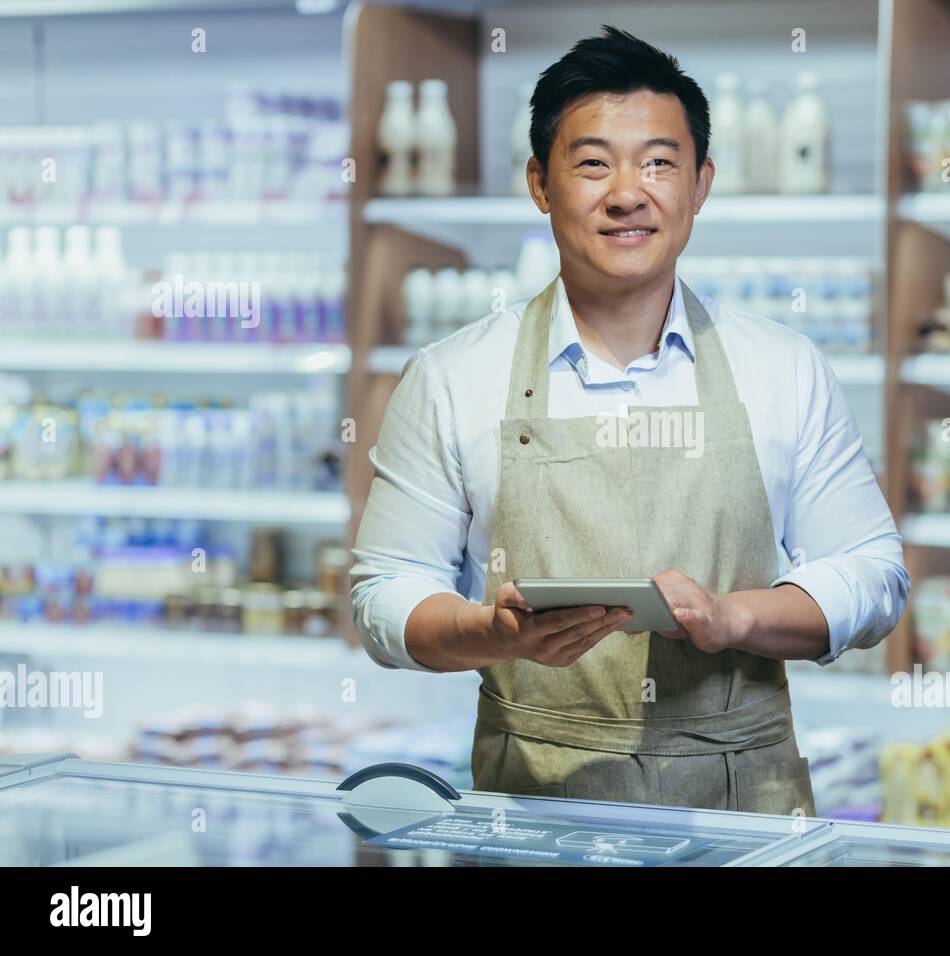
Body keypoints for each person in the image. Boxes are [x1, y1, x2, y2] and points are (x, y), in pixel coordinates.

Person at [351, 25, 909, 815]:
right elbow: (384, 597)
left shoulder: (782, 367)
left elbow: (875, 576)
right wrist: (494, 632)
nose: (627, 192)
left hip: (740, 814)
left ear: (701, 183)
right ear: (540, 184)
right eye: (591, 163)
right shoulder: (451, 378)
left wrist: (733, 615)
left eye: (658, 162)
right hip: (536, 814)